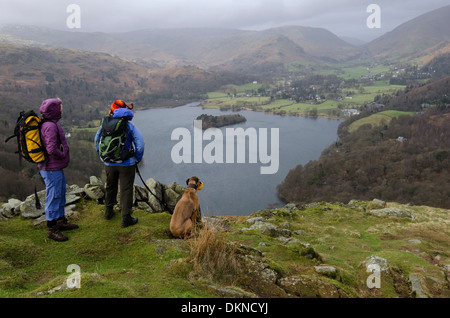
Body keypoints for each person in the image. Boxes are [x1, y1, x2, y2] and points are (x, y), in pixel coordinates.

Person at [95, 100, 145, 228]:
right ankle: (126, 218)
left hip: (108, 163)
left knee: (110, 186)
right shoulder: (128, 126)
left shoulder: (104, 124)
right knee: (126, 189)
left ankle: (108, 212)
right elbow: (140, 144)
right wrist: (137, 159)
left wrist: (103, 157)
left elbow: (97, 141)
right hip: (126, 163)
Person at [39, 98, 79, 242]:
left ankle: (61, 221)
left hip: (55, 167)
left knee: (60, 193)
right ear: (54, 109)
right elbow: (50, 149)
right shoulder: (49, 126)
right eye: (60, 107)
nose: (62, 109)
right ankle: (52, 228)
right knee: (54, 195)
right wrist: (62, 155)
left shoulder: (50, 123)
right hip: (50, 167)